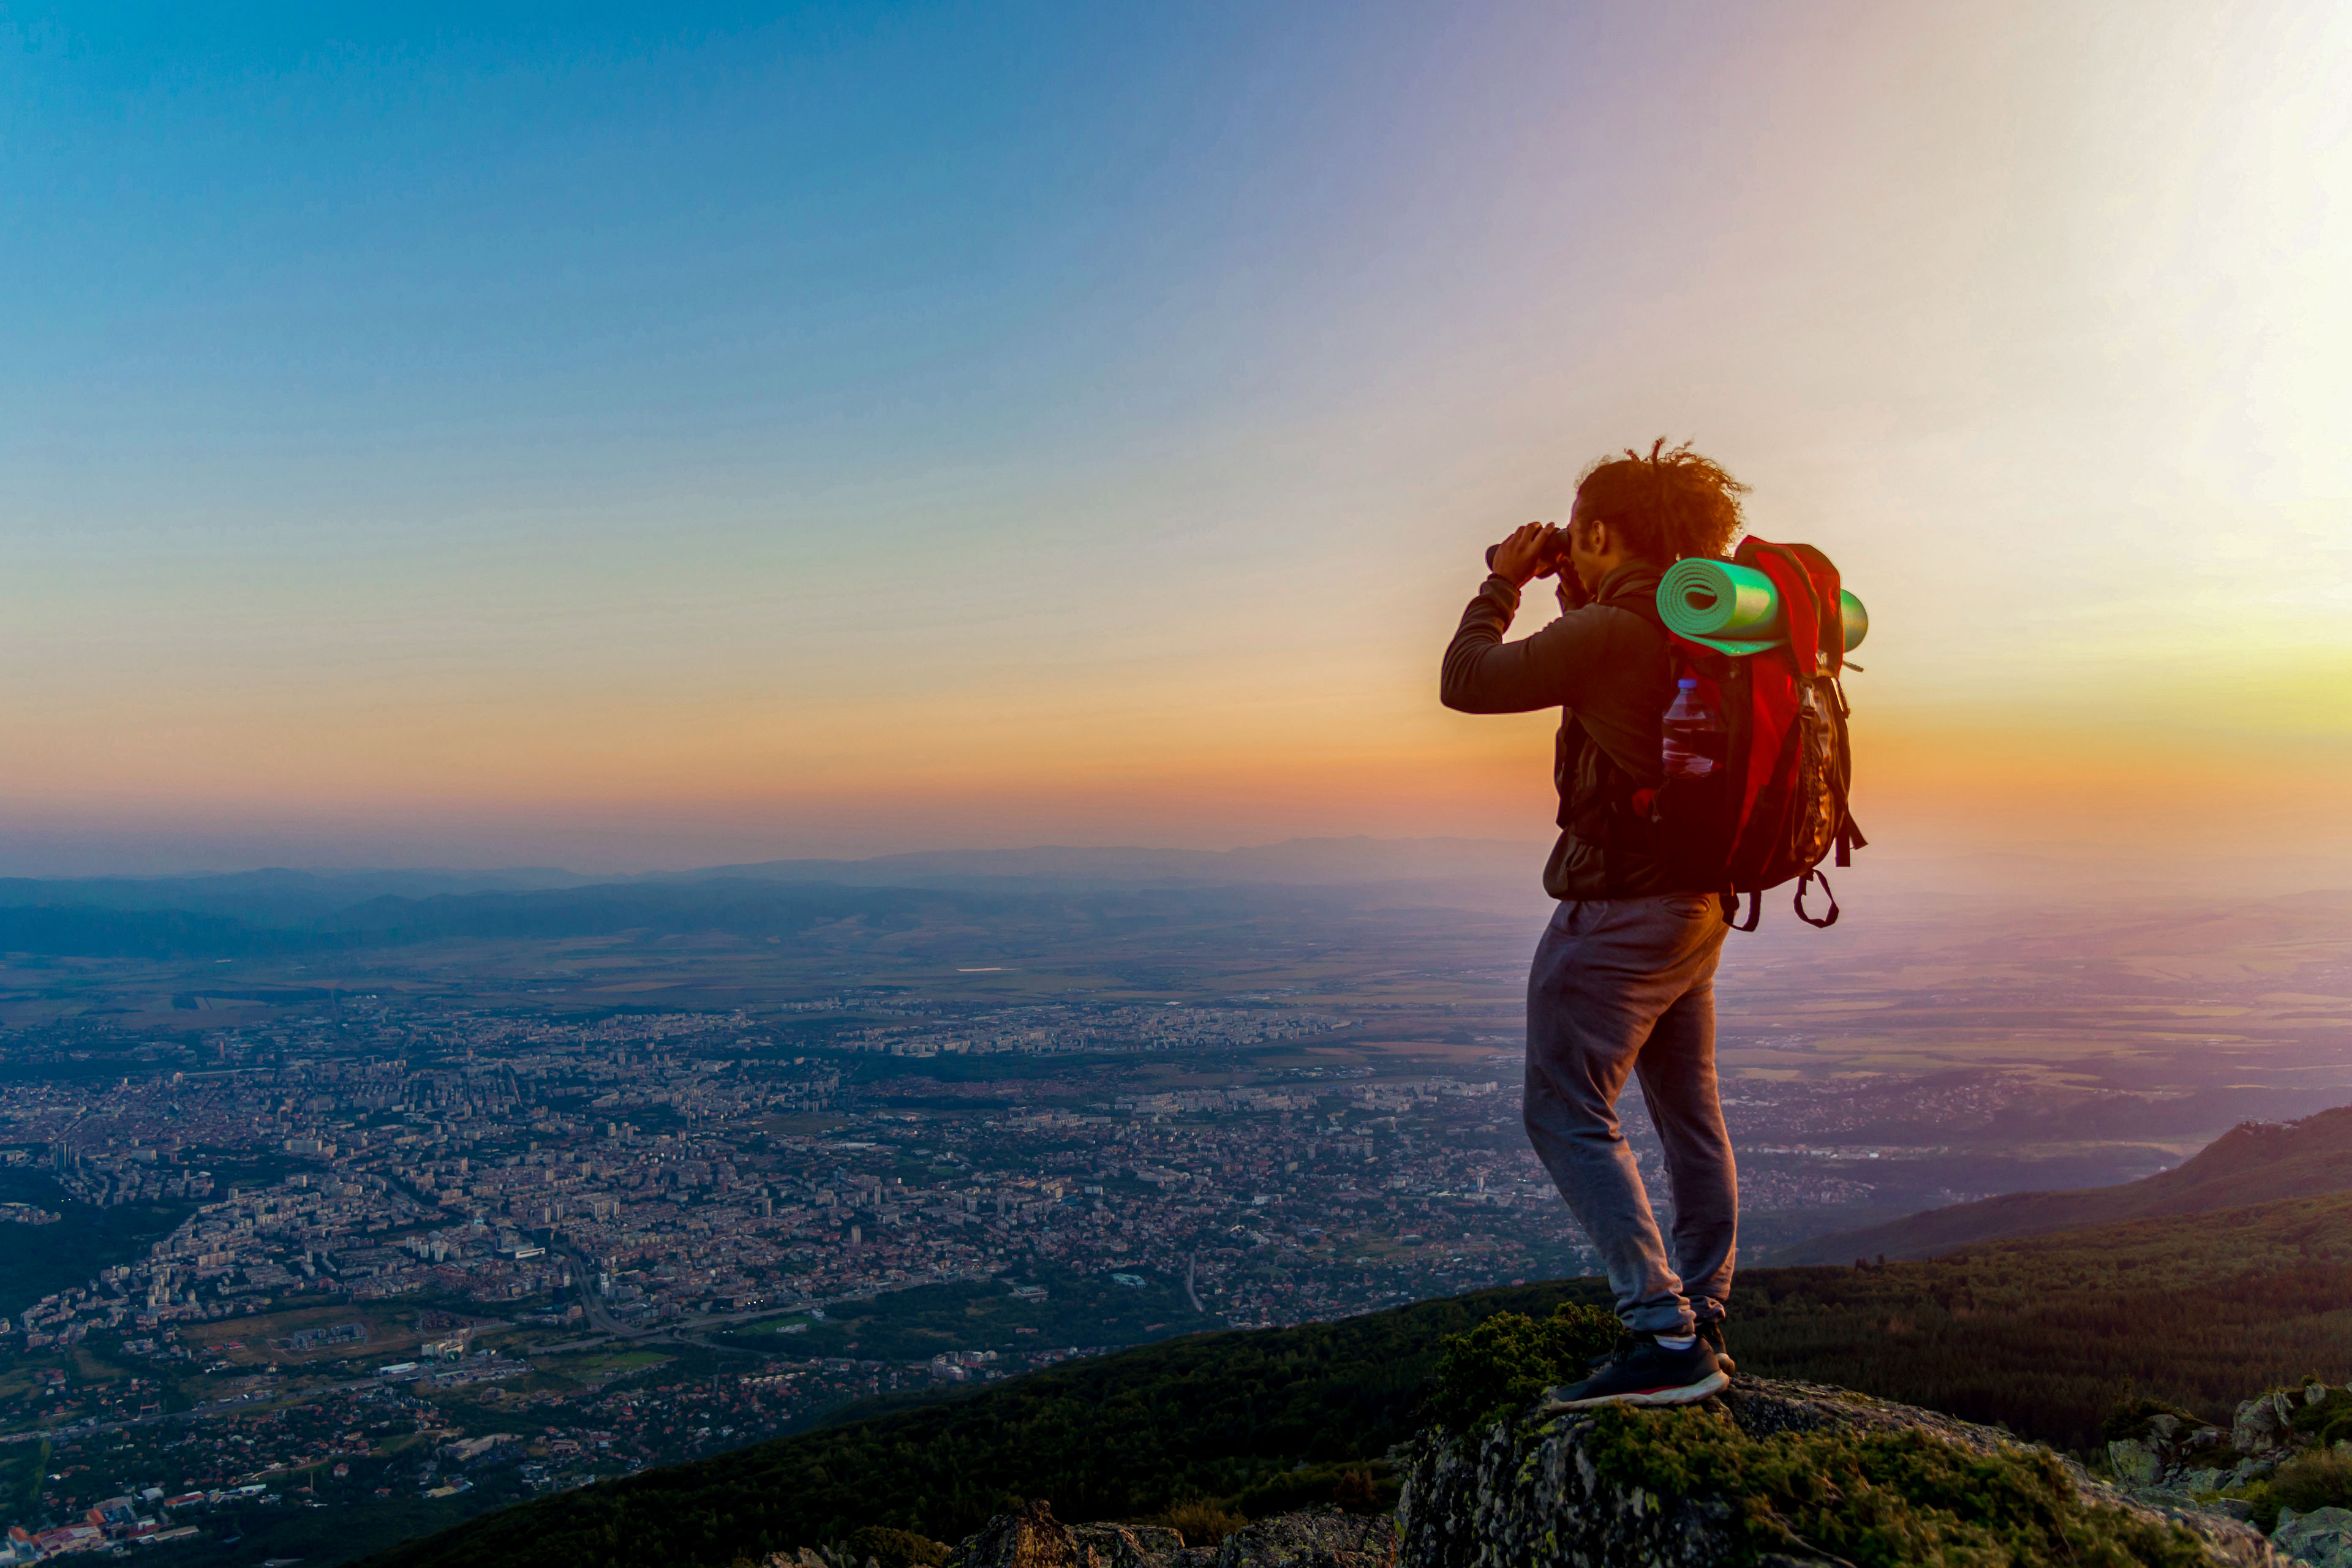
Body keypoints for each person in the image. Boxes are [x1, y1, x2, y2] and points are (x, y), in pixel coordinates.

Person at [1438, 440, 1749, 1408]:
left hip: (1618, 914)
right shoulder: (1697, 622)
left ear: (1604, 530)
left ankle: (1662, 1336)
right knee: (1689, 1114)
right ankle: (1703, 1309)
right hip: (1698, 907)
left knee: (1564, 1110)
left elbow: (1468, 678)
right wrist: (1576, 581)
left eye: (1579, 531)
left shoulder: (1618, 632)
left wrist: (1500, 583)